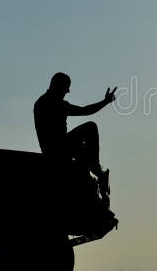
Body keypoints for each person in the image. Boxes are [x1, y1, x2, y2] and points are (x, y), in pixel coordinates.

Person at [34, 72, 116, 200]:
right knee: (91, 127)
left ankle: (97, 174)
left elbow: (84, 110)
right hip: (56, 148)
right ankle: (98, 171)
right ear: (59, 86)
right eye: (67, 87)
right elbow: (85, 111)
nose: (68, 91)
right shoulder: (51, 104)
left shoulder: (48, 103)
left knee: (85, 150)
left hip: (58, 147)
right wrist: (106, 101)